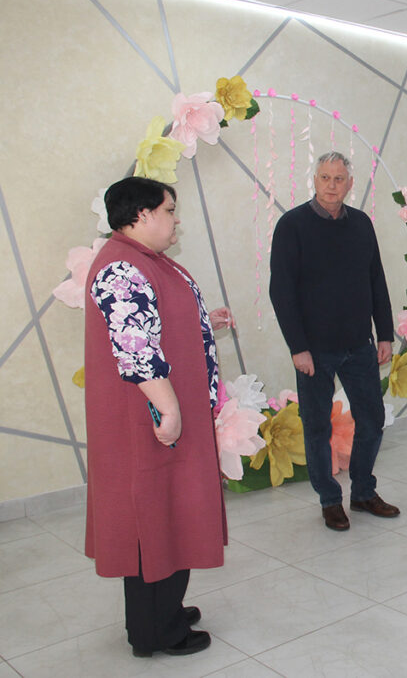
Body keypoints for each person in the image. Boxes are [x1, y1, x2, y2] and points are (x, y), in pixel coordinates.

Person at [84, 177, 234, 657]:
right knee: (155, 520)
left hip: (158, 416)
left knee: (168, 516)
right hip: (148, 421)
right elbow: (136, 352)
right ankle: (157, 630)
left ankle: (161, 612)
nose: (176, 219)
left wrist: (202, 323)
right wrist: (169, 410)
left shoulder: (141, 260)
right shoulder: (122, 267)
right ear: (143, 213)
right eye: (170, 209)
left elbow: (151, 326)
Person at [270, 152, 399, 531]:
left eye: (339, 178)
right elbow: (282, 291)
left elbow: (376, 279)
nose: (331, 185)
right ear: (314, 180)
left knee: (372, 420)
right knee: (317, 427)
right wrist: (297, 347)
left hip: (359, 344)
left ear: (350, 184)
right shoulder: (292, 225)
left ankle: (363, 492)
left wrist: (385, 333)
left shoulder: (361, 224)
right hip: (314, 350)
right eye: (325, 177)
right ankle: (329, 500)